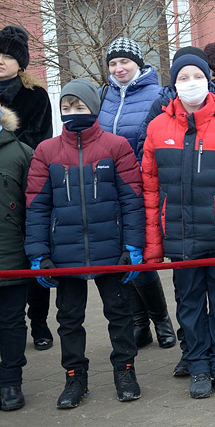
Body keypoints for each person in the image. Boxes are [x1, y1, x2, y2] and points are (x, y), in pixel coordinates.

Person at [142, 54, 215, 398]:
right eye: (183, 77)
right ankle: (197, 364)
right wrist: (154, 242)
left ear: (208, 80)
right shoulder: (158, 126)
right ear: (174, 84)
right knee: (189, 303)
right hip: (179, 235)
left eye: (197, 76)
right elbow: (149, 186)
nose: (190, 82)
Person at [25, 79, 144, 409]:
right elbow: (37, 205)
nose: (73, 112)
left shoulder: (116, 146)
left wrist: (133, 246)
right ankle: (75, 377)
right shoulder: (46, 151)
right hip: (64, 252)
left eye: (79, 106)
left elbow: (132, 200)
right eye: (66, 107)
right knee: (69, 319)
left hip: (111, 249)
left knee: (120, 314)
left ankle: (125, 371)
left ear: (93, 107)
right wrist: (38, 253)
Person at [97, 37, 176, 351]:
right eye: (113, 63)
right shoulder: (102, 96)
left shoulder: (156, 95)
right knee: (119, 258)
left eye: (125, 62)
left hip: (141, 188)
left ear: (139, 64)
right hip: (107, 190)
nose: (118, 68)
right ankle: (139, 324)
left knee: (139, 257)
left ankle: (161, 319)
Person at [0, 25, 54, 352]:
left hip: (24, 180)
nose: (1, 61)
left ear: (20, 62)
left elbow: (39, 140)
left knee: (32, 250)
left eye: (7, 56)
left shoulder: (35, 95)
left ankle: (39, 322)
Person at [0, 105, 32, 411]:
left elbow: (35, 207)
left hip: (10, 254)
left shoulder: (21, 153)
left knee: (11, 321)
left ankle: (11, 381)